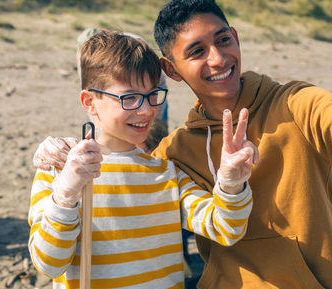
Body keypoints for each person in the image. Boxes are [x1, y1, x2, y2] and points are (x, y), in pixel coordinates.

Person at [34, 0, 332, 287]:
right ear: (173, 69)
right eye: (197, 51)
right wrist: (56, 156)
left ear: (237, 37)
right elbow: (121, 162)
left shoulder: (296, 103)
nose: (218, 58)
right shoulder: (176, 152)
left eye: (224, 40)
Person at [27, 30, 257, 289]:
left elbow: (227, 228)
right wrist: (65, 196)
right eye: (130, 98)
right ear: (89, 102)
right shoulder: (59, 172)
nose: (147, 109)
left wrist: (231, 185)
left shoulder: (167, 173)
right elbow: (49, 264)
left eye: (152, 95)